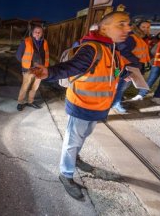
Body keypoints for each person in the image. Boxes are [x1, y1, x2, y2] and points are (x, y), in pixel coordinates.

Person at [31, 11, 131, 200]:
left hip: (98, 107)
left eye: (128, 24)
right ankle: (66, 174)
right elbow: (72, 66)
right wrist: (49, 72)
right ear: (104, 28)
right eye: (122, 24)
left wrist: (124, 72)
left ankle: (75, 159)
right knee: (71, 142)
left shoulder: (114, 50)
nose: (128, 28)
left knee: (82, 137)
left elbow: (114, 70)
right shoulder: (92, 49)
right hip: (81, 105)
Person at [111, 21, 150, 113]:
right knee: (121, 86)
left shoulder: (138, 38)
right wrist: (136, 61)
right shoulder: (131, 38)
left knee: (123, 86)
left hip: (132, 68)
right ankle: (116, 103)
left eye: (148, 27)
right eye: (143, 27)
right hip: (127, 68)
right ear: (137, 27)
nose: (146, 29)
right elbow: (123, 50)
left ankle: (116, 100)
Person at [15, 25, 49, 111]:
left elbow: (46, 55)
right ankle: (20, 102)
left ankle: (30, 101)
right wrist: (26, 64)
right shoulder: (26, 42)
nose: (37, 33)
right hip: (28, 69)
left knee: (35, 87)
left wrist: (45, 67)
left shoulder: (45, 42)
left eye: (39, 32)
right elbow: (18, 55)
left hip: (40, 69)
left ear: (42, 33)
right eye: (35, 32)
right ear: (32, 33)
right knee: (25, 86)